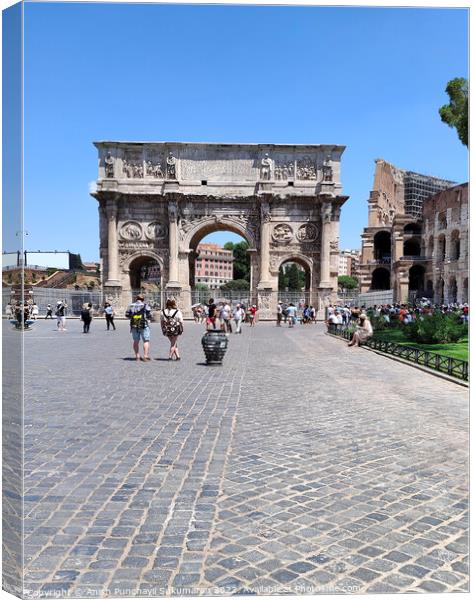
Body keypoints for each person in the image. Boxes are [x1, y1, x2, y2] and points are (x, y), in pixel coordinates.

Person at [125, 294, 152, 361]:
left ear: (136, 299)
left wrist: (134, 317)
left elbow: (127, 315)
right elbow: (149, 316)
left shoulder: (131, 305)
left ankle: (137, 356)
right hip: (143, 325)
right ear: (143, 299)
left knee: (136, 341)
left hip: (134, 325)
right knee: (146, 341)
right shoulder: (145, 306)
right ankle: (145, 356)